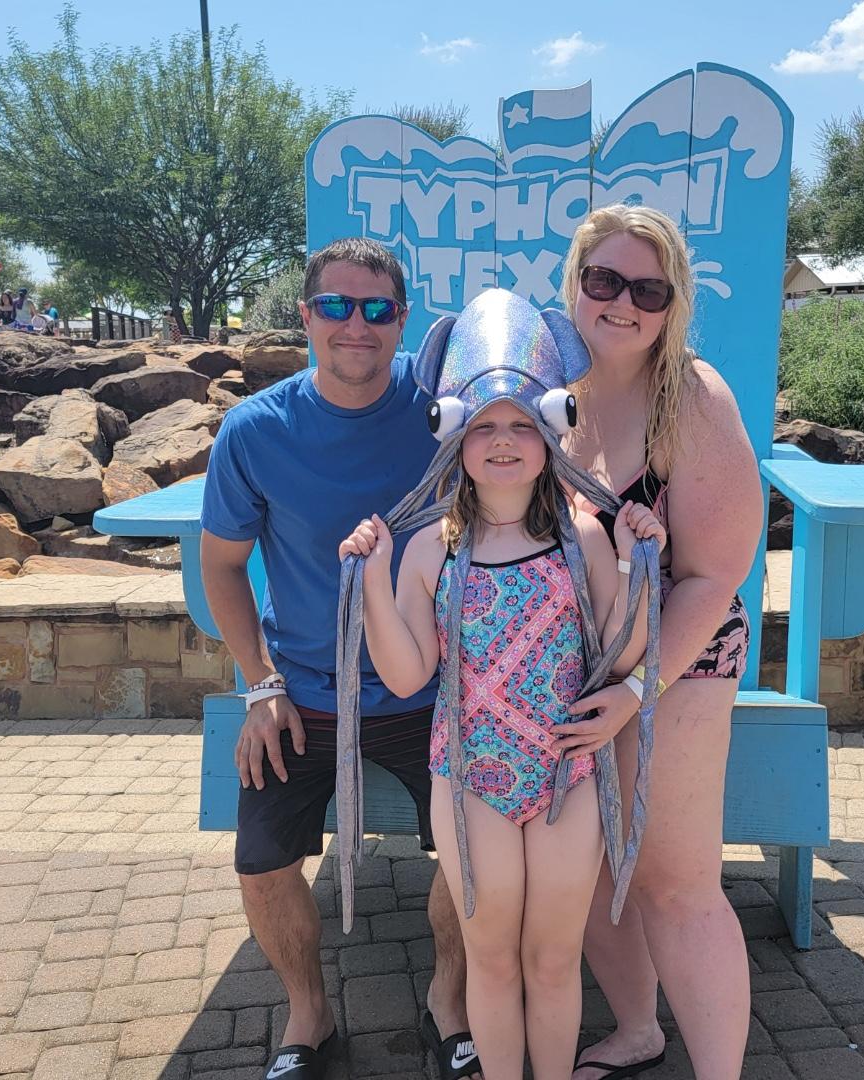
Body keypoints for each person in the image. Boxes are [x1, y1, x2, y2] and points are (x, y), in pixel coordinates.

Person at [339, 295, 666, 1080]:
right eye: (484, 426)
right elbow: (407, 674)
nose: (504, 441)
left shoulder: (582, 538)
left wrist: (636, 564)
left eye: (521, 424)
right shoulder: (430, 549)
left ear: (551, 434)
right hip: (471, 779)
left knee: (552, 959)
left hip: (566, 774)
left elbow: (622, 654)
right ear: (455, 437)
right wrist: (375, 581)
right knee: (489, 957)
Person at [200, 237, 480, 1080]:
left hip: (428, 688)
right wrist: (260, 687)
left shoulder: (444, 417)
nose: (356, 324)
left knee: (477, 846)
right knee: (261, 864)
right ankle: (309, 1015)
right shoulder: (255, 430)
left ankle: (450, 1002)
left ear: (403, 319)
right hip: (304, 694)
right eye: (335, 306)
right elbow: (222, 566)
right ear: (306, 315)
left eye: (376, 308)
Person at [555, 203, 763, 1080]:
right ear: (574, 282)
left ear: (673, 303)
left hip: (681, 654)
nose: (623, 303)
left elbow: (715, 576)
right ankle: (638, 1031)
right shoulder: (546, 384)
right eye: (605, 280)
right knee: (592, 868)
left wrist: (638, 692)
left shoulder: (693, 397)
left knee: (673, 879)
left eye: (649, 289)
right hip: (570, 657)